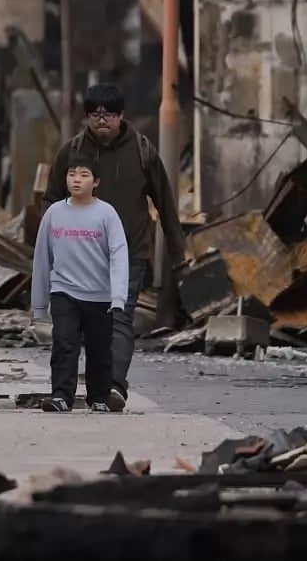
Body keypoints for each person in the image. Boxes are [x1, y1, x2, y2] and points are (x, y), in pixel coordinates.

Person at [42, 83, 184, 412]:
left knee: (119, 318)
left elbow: (164, 202)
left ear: (121, 116)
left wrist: (178, 252)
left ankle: (114, 388)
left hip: (129, 252)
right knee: (73, 325)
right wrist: (48, 247)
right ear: (87, 117)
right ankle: (66, 390)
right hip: (78, 256)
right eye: (95, 114)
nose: (102, 121)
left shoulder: (143, 151)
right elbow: (51, 200)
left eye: (109, 115)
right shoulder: (72, 152)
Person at [32, 153, 129, 413]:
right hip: (64, 291)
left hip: (100, 297)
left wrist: (118, 296)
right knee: (64, 343)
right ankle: (61, 395)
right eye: (72, 174)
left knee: (99, 350)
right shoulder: (54, 213)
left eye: (84, 175)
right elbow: (42, 258)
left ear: (96, 181)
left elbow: (119, 256)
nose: (76, 180)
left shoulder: (106, 214)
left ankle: (98, 397)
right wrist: (39, 305)